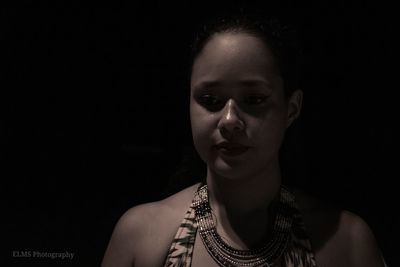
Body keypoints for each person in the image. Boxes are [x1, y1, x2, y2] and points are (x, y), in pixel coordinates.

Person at [101, 12, 385, 267]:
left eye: (254, 100)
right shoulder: (140, 237)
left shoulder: (347, 243)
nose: (229, 121)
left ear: (292, 108)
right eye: (210, 100)